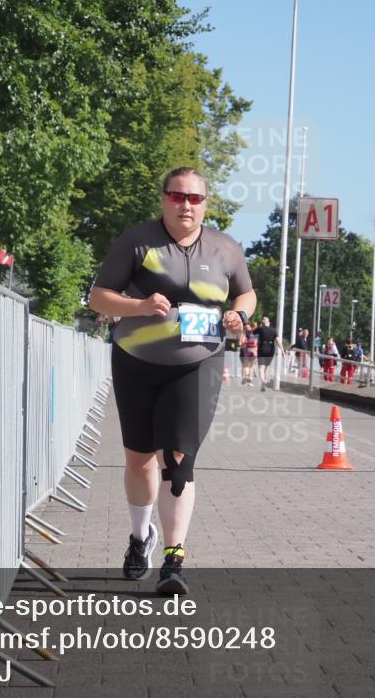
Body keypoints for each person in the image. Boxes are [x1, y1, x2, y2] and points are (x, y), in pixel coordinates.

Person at [89, 167, 256, 595]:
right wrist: (140, 305)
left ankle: (173, 559)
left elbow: (246, 292)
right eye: (178, 196)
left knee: (178, 460)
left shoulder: (225, 248)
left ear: (206, 203)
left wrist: (240, 313)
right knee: (139, 460)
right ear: (163, 198)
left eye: (195, 199)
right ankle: (139, 537)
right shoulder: (137, 240)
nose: (186, 205)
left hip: (198, 365)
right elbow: (99, 296)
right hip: (136, 362)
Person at [254, 316, 285, 391]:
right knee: (266, 367)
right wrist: (282, 351)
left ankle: (263, 381)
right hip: (271, 350)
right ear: (269, 323)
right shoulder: (274, 330)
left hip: (262, 349)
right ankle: (264, 380)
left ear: (262, 323)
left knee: (261, 367)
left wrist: (260, 326)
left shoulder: (260, 329)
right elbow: (278, 341)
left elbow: (253, 332)